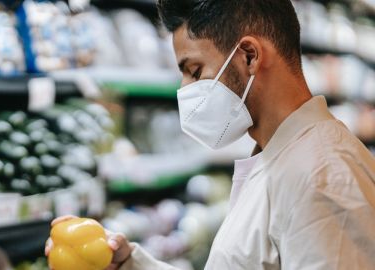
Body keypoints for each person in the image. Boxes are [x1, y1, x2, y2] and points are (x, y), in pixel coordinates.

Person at [46, 0, 375, 269]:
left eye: (194, 70)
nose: (184, 90)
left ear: (249, 56)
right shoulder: (278, 155)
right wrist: (131, 265)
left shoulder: (322, 175)